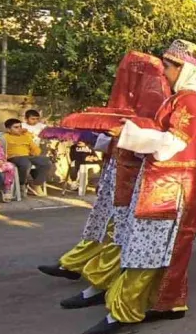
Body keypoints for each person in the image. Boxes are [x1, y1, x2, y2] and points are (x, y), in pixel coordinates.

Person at [81, 39, 196, 334]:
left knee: (147, 247)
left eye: (168, 66)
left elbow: (174, 142)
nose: (163, 72)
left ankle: (125, 310)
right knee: (147, 244)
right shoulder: (177, 99)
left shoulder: (191, 101)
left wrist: (127, 133)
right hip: (162, 177)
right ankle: (161, 303)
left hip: (172, 182)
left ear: (185, 69)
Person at [37, 51, 169, 293]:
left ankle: (98, 280)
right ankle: (75, 264)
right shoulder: (134, 98)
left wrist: (115, 137)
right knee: (102, 220)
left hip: (134, 171)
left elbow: (150, 139)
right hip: (117, 164)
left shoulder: (154, 97)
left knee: (116, 226)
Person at [3, 118, 53, 195]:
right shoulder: (4, 137)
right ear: (8, 129)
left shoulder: (26, 136)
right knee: (25, 163)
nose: (19, 129)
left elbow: (36, 149)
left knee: (46, 162)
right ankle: (22, 184)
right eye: (16, 127)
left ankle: (35, 184)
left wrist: (34, 153)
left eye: (20, 126)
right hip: (13, 157)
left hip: (27, 156)